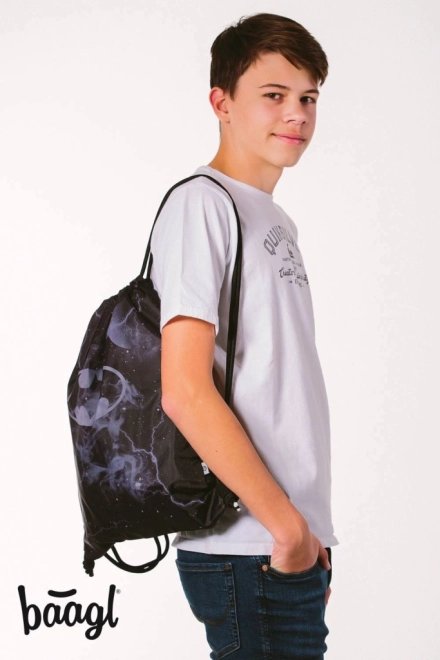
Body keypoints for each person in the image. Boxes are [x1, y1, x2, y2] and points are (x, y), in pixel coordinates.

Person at [149, 11, 339, 659]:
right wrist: (284, 529)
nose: (297, 115)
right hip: (248, 543)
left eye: (308, 98)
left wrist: (306, 535)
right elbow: (184, 389)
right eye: (274, 95)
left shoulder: (273, 218)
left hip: (283, 543)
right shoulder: (203, 203)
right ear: (221, 103)